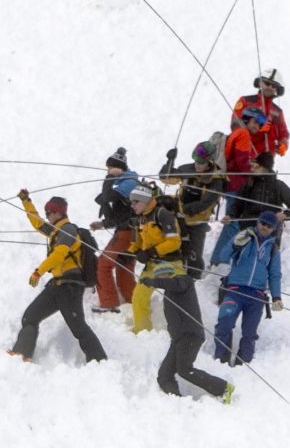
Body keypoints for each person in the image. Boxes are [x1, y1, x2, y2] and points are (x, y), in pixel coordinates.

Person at [8, 191, 107, 363]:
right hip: (57, 286)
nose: (47, 216)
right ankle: (22, 354)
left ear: (60, 212)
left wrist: (39, 271)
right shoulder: (56, 230)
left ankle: (100, 361)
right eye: (46, 213)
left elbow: (59, 255)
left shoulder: (68, 230)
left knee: (78, 327)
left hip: (70, 287)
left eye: (50, 213)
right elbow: (37, 223)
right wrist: (26, 201)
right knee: (30, 317)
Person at [140, 262, 235, 403]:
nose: (159, 279)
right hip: (178, 338)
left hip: (190, 335)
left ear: (168, 273)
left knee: (184, 370)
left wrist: (153, 281)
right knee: (164, 375)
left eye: (160, 276)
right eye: (157, 277)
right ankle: (176, 402)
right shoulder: (170, 290)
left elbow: (176, 285)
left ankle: (223, 388)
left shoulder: (184, 281)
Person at [213, 210, 283, 365]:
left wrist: (277, 297)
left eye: (269, 226)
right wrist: (234, 244)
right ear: (257, 222)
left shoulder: (273, 248)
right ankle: (220, 361)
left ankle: (242, 366)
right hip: (234, 290)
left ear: (273, 228)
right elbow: (223, 256)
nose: (265, 227)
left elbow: (275, 275)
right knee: (224, 324)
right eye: (263, 223)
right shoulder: (244, 237)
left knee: (250, 334)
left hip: (256, 295)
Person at [216, 151, 290, 263]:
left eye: (256, 166)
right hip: (248, 229)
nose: (252, 168)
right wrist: (231, 215)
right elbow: (238, 204)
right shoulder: (248, 184)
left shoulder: (278, 186)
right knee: (243, 259)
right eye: (252, 165)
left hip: (270, 231)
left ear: (265, 167)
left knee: (265, 262)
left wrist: (285, 215)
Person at [158, 141, 225, 279]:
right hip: (180, 220)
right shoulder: (187, 169)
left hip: (197, 224)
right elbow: (165, 178)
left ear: (210, 162)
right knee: (175, 250)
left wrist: (185, 209)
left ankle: (194, 280)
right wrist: (170, 161)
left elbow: (206, 203)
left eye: (201, 162)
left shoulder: (216, 179)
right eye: (196, 161)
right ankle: (173, 277)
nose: (197, 165)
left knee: (194, 255)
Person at [210, 107, 266, 267]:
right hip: (236, 185)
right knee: (233, 223)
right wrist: (258, 171)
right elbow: (242, 163)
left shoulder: (237, 133)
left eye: (261, 124)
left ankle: (220, 260)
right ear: (247, 118)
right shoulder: (243, 134)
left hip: (231, 184)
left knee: (234, 222)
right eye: (257, 121)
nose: (258, 126)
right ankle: (219, 261)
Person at [126, 184, 184, 333]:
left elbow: (174, 242)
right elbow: (137, 242)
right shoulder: (141, 219)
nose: (132, 205)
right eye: (131, 202)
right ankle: (142, 332)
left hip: (172, 263)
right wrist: (133, 251)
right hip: (152, 265)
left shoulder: (163, 215)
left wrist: (151, 252)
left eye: (135, 202)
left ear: (145, 201)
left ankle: (182, 332)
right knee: (139, 297)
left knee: (177, 299)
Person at [89, 147, 139, 312]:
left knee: (103, 265)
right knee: (124, 267)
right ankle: (132, 303)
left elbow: (109, 196)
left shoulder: (129, 182)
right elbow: (121, 216)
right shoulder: (128, 182)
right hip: (132, 233)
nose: (108, 171)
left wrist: (110, 177)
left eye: (109, 168)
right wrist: (102, 224)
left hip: (127, 233)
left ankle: (109, 303)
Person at [231, 68, 290, 157]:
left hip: (266, 162)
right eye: (267, 83)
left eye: (274, 86)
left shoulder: (278, 112)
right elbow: (235, 124)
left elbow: (283, 133)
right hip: (243, 155)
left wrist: (283, 145)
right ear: (260, 83)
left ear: (277, 89)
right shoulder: (245, 101)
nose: (270, 87)